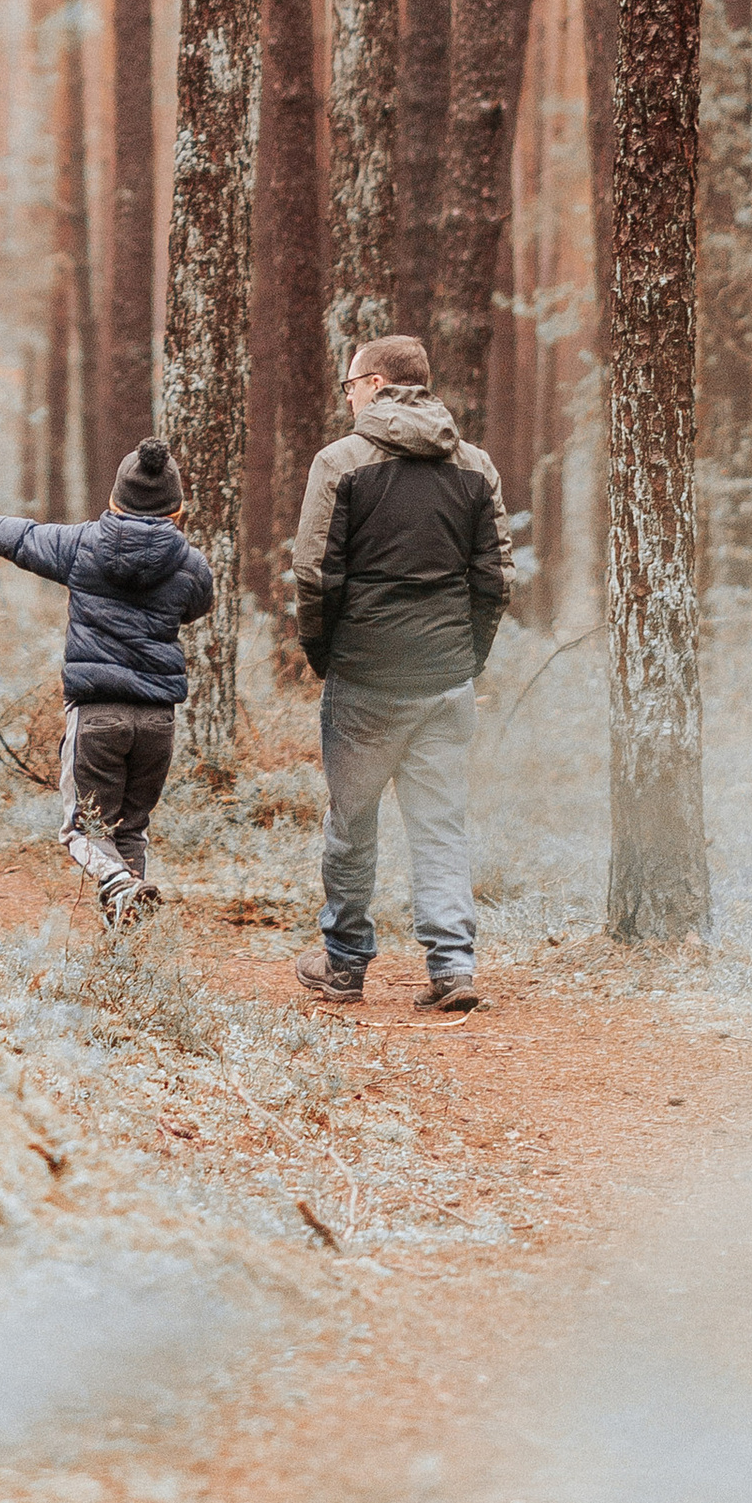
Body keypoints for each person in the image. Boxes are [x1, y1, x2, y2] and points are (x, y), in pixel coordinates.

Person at [288, 332, 513, 1014]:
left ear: (379, 386)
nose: (348, 394)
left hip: (365, 678)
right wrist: (466, 660)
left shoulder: (340, 463)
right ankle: (452, 966)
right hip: (444, 683)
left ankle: (345, 966)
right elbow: (496, 580)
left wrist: (328, 656)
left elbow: (314, 573)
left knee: (352, 824)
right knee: (440, 825)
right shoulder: (476, 468)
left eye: (352, 383)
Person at [0, 439, 214, 927]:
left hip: (96, 713)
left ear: (114, 501)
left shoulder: (83, 545)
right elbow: (197, 607)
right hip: (158, 720)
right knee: (131, 830)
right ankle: (128, 939)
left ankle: (119, 885)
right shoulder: (192, 565)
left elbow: (20, 537)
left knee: (82, 832)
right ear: (179, 510)